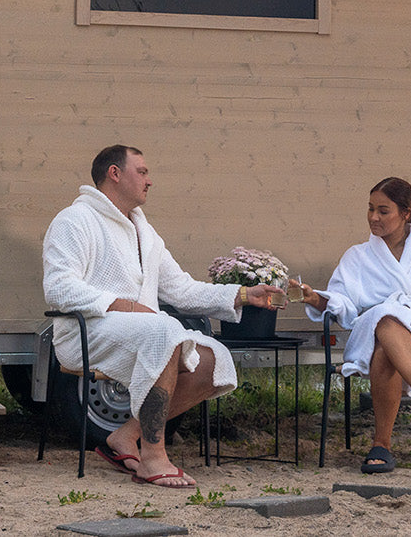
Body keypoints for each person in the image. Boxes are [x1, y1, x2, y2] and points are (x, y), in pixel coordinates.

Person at [42, 144, 285, 488]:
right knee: (163, 330)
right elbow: (59, 287)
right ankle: (153, 458)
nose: (149, 180)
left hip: (141, 333)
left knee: (212, 360)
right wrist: (123, 305)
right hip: (86, 334)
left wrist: (243, 294)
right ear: (114, 173)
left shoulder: (145, 232)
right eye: (141, 171)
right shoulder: (75, 220)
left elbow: (182, 289)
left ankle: (125, 437)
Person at [291, 177, 411, 474]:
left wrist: (403, 311)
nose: (373, 217)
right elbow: (343, 304)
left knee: (386, 339)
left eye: (383, 211)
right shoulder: (357, 256)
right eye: (370, 209)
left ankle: (382, 445)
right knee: (383, 323)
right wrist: (316, 298)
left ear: (405, 213)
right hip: (369, 336)